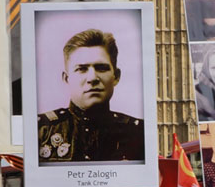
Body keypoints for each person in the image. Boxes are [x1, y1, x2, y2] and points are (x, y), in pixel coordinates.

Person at [37, 29, 144, 163]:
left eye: (101, 68)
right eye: (81, 69)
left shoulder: (138, 132)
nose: (92, 78)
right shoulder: (41, 129)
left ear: (116, 76)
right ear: (66, 78)